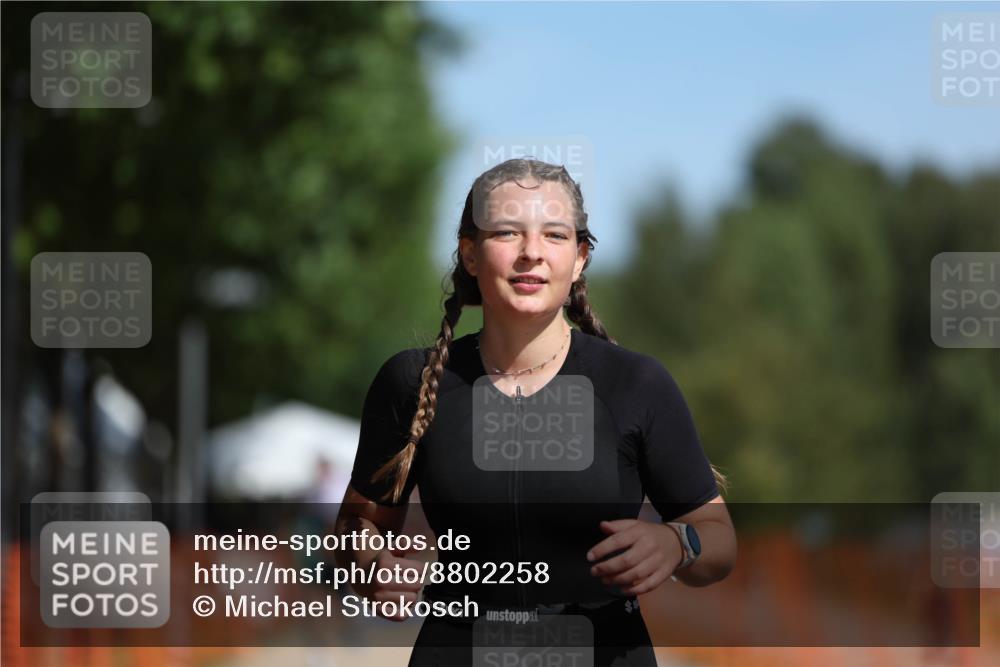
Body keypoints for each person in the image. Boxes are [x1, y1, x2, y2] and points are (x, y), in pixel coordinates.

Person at [335, 158, 737, 666]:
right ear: (470, 254)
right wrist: (371, 562)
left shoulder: (637, 383)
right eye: (507, 232)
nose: (532, 252)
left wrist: (677, 543)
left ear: (580, 257)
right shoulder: (412, 383)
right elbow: (355, 527)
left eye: (554, 235)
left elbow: (719, 543)